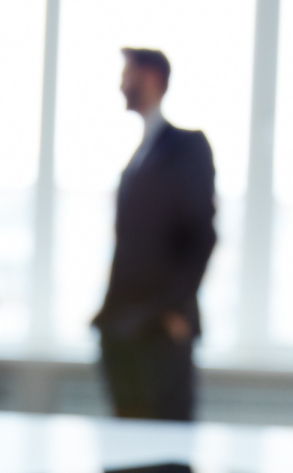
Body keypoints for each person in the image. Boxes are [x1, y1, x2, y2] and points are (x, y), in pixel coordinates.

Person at [93, 48, 216, 421]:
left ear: (149, 78)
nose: (120, 85)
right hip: (122, 328)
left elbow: (201, 235)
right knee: (123, 447)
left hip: (160, 329)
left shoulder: (187, 147)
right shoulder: (139, 155)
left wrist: (174, 309)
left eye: (126, 76)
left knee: (165, 448)